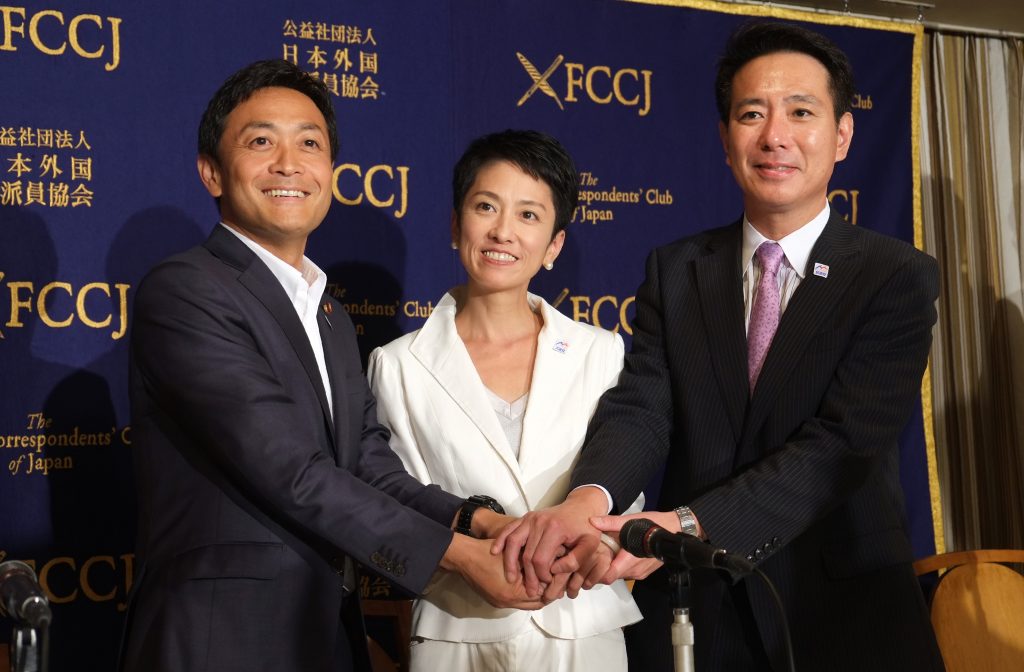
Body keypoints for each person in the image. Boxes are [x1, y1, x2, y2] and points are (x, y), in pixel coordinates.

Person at [495, 22, 945, 672]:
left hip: (841, 618)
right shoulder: (676, 270)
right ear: (725, 137)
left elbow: (839, 449)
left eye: (801, 112)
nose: (775, 136)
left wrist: (686, 525)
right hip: (693, 611)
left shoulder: (894, 276)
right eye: (752, 113)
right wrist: (587, 502)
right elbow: (643, 411)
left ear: (842, 134)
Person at [119, 60, 541, 672]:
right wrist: (454, 555)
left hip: (325, 635)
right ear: (211, 171)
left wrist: (477, 522)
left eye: (309, 143)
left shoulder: (330, 316)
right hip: (220, 639)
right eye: (261, 141)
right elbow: (289, 469)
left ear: (331, 173)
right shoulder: (185, 290)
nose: (289, 163)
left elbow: (367, 462)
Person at [367, 130, 642, 672]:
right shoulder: (397, 364)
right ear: (455, 224)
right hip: (457, 628)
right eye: (485, 206)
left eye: (529, 215)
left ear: (555, 245)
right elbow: (399, 504)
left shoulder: (600, 352)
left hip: (579, 622)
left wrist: (595, 554)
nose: (502, 232)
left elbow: (621, 498)